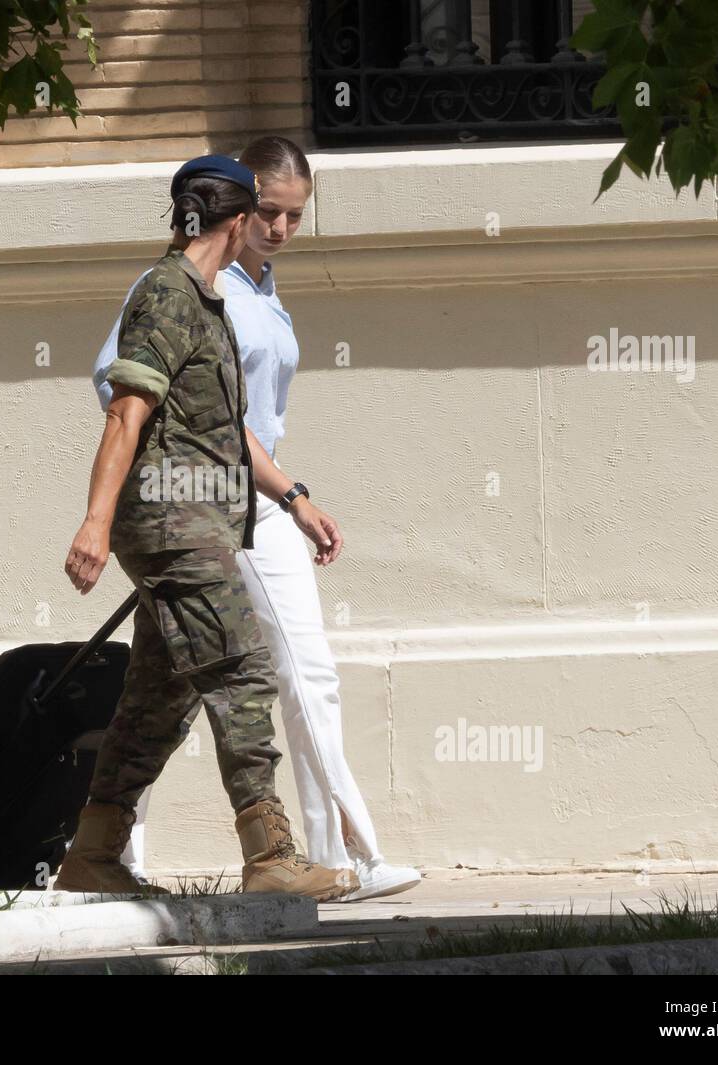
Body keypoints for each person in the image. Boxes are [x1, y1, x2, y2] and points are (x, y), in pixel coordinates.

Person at [92, 137, 422, 902]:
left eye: (293, 216)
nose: (276, 227)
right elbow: (130, 401)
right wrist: (102, 519)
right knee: (245, 673)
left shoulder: (253, 292)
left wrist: (288, 494)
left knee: (180, 682)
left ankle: (102, 853)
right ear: (235, 211)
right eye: (264, 211)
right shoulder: (175, 288)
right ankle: (293, 855)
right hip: (199, 503)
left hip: (251, 497)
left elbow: (245, 415)